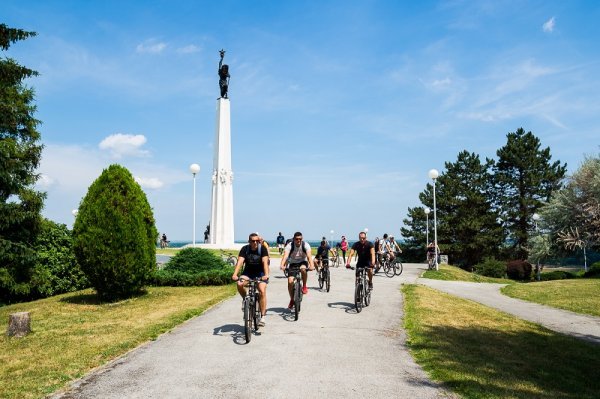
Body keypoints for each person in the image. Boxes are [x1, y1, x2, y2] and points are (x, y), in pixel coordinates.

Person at [232, 233, 270, 326]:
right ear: (249, 241)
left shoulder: (262, 249)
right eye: (253, 241)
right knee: (240, 284)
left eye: (257, 241)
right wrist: (235, 274)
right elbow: (240, 262)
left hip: (260, 274)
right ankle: (245, 299)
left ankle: (263, 316)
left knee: (261, 290)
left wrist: (266, 275)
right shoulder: (245, 249)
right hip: (248, 273)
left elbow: (265, 262)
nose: (255, 242)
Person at [280, 231, 314, 309]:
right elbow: (285, 256)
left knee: (303, 269)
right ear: (294, 239)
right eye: (296, 239)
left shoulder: (305, 245)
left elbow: (309, 256)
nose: (298, 241)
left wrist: (311, 265)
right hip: (293, 263)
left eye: (300, 239)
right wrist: (282, 265)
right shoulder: (289, 245)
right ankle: (292, 299)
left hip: (303, 261)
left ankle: (304, 286)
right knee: (290, 281)